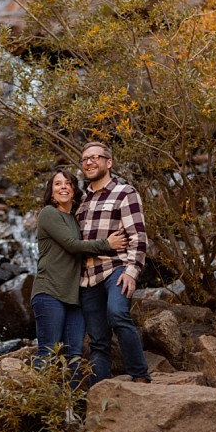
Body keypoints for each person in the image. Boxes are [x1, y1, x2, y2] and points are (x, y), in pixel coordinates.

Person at [31, 168, 128, 384]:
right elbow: (72, 245)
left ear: (75, 190)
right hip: (50, 293)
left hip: (74, 297)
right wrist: (107, 245)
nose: (63, 187)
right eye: (57, 184)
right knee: (48, 352)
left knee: (74, 355)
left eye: (68, 183)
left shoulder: (75, 219)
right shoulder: (49, 213)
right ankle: (36, 412)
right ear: (51, 191)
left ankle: (69, 412)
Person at [76, 141, 152, 384]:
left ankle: (140, 376)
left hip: (115, 269)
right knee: (98, 340)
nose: (89, 162)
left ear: (108, 163)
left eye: (95, 157)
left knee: (117, 314)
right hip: (87, 277)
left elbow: (138, 235)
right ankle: (101, 391)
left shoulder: (124, 193)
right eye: (85, 158)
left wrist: (132, 271)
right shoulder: (81, 199)